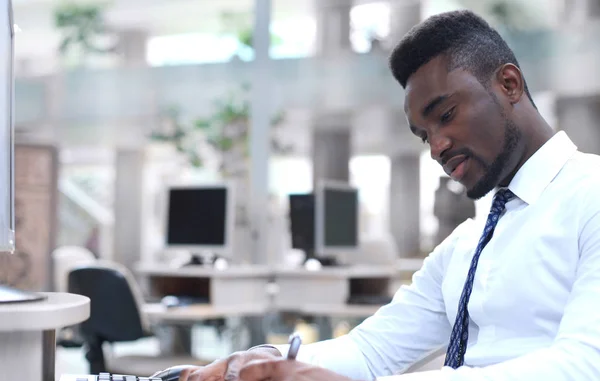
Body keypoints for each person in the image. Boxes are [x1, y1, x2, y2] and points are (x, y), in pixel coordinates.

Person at [163, 9, 600, 381]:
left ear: (509, 84)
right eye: (424, 135)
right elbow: (372, 351)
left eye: (445, 115)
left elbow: (585, 364)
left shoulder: (591, 196)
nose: (437, 147)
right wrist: (264, 362)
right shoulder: (469, 243)